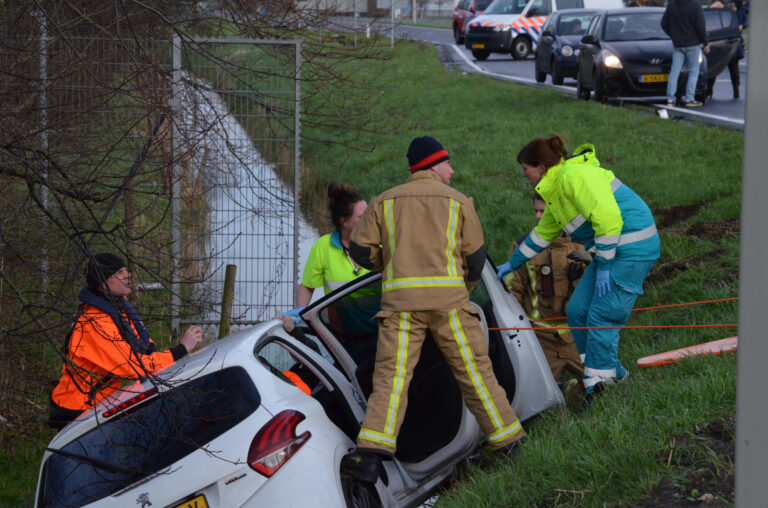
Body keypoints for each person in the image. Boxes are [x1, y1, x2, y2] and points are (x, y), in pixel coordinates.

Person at [341, 136, 526, 484]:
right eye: (447, 163)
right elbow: (475, 259)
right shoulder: (458, 203)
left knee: (392, 380)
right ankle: (508, 441)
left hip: (400, 308)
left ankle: (370, 455)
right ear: (431, 165)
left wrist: (392, 262)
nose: (452, 170)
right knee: (475, 373)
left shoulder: (384, 202)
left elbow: (361, 252)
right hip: (450, 307)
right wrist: (463, 286)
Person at [497, 135, 659, 400]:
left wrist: (604, 265)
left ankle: (601, 391)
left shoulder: (573, 176)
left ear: (540, 167)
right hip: (611, 250)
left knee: (601, 316)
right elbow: (543, 233)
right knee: (578, 311)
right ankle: (609, 374)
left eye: (525, 168)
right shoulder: (555, 189)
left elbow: (608, 220)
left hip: (632, 249)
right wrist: (512, 263)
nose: (523, 174)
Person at [49, 253, 204, 430]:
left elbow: (144, 346)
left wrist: (166, 356)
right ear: (103, 283)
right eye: (120, 272)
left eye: (126, 270)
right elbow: (134, 366)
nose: (128, 275)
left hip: (97, 404)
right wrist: (180, 350)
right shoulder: (94, 324)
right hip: (77, 410)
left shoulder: (117, 308)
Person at [502, 193, 586, 387]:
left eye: (544, 211)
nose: (538, 217)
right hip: (541, 340)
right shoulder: (523, 247)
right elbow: (511, 293)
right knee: (534, 400)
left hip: (579, 336)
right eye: (536, 211)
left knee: (606, 388)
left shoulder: (585, 243)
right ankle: (558, 392)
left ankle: (570, 390)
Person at [282, 183, 370, 321]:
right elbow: (307, 286)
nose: (369, 219)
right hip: (340, 332)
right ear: (344, 222)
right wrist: (301, 311)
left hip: (376, 330)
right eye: (361, 217)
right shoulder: (324, 246)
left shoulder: (380, 244)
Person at [661, 0, 710, 107]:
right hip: (692, 44)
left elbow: (664, 23)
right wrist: (705, 43)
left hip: (678, 44)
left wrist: (673, 35)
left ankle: (670, 98)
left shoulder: (672, 4)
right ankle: (689, 98)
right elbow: (700, 26)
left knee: (674, 71)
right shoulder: (695, 5)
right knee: (693, 71)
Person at [706, 0, 746, 99]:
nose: (718, 7)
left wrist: (742, 26)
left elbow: (740, 23)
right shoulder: (709, 15)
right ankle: (709, 91)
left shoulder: (729, 14)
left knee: (734, 71)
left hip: (729, 46)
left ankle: (736, 90)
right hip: (716, 46)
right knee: (712, 70)